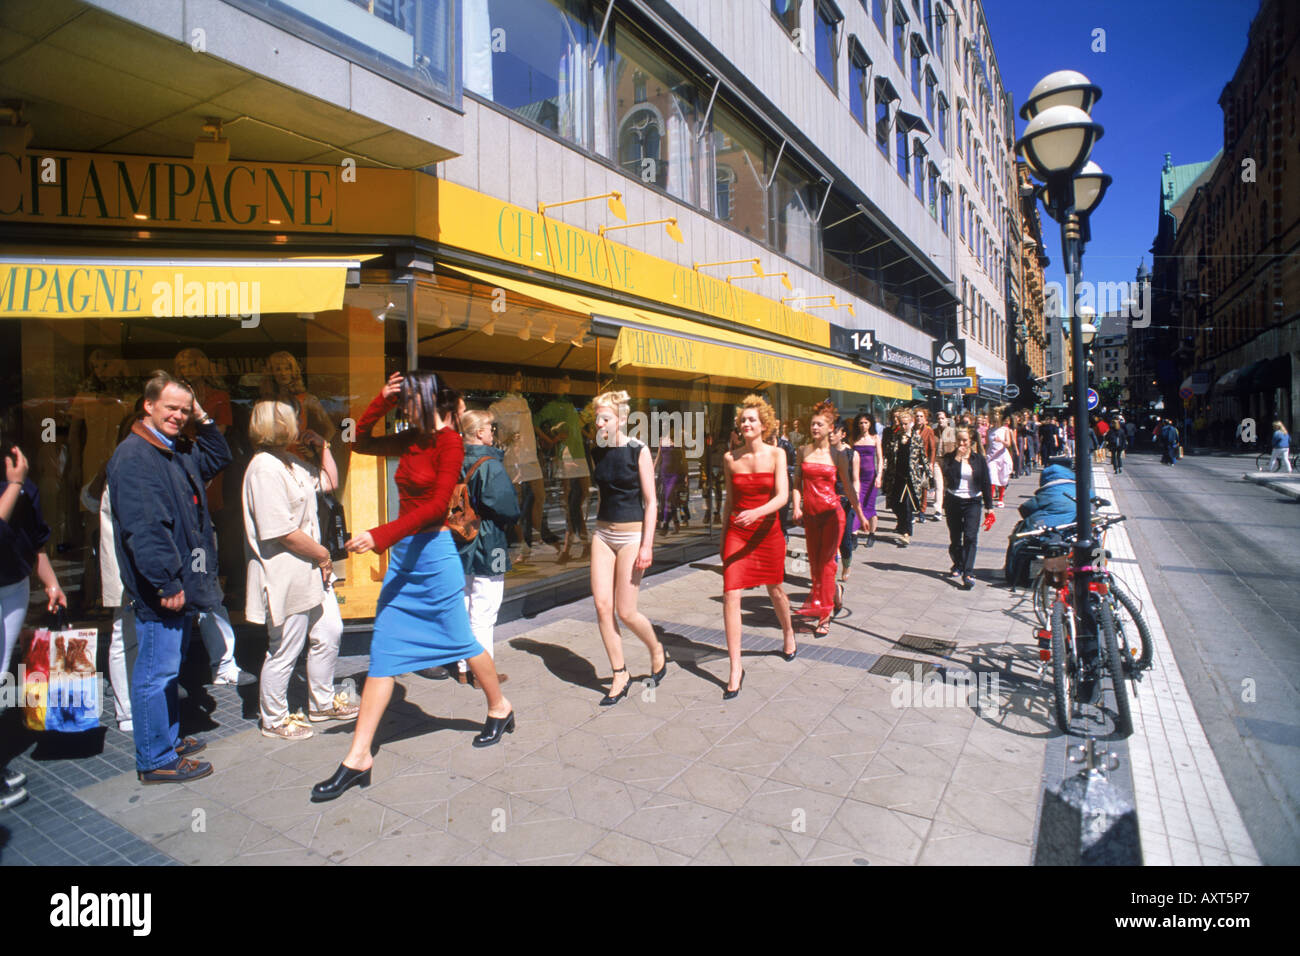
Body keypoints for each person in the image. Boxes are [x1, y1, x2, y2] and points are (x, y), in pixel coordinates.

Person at [313, 373, 512, 802]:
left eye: (406, 402)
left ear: (426, 401)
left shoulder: (450, 443)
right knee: (384, 649)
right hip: (404, 553)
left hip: (435, 553)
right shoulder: (412, 440)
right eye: (399, 404)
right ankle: (358, 756)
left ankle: (499, 707)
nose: (403, 409)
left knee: (461, 640)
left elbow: (438, 507)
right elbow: (359, 442)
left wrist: (379, 534)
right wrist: (379, 401)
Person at [108, 371, 231, 785]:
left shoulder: (173, 450)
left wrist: (203, 416)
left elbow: (219, 456)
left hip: (178, 581)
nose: (178, 416)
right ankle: (155, 757)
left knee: (166, 667)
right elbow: (145, 527)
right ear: (148, 405)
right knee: (155, 671)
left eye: (184, 410)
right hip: (162, 588)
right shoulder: (137, 457)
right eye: (171, 408)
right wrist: (167, 582)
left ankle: (166, 739)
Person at [242, 400, 357, 741]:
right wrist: (323, 555)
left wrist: (323, 447)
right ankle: (274, 719)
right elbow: (280, 531)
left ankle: (321, 702)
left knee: (329, 632)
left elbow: (329, 481)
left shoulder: (287, 461)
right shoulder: (264, 467)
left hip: (310, 568)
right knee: (285, 647)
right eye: (293, 419)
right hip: (285, 571)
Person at [587, 391, 665, 706]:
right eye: (597, 418)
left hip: (632, 535)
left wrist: (647, 544)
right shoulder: (596, 449)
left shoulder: (638, 450)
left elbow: (651, 502)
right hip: (603, 534)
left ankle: (656, 649)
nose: (599, 423)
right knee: (602, 607)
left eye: (605, 418)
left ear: (621, 420)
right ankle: (620, 673)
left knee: (626, 611)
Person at [1, 437, 68, 809]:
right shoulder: (17, 480)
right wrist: (14, 485)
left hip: (11, 585)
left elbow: (33, 540)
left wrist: (50, 581)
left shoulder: (21, 478)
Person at [720, 395, 796, 699]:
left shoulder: (777, 454)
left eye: (752, 419)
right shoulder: (730, 458)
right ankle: (735, 667)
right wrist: (722, 538)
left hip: (767, 532)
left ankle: (788, 632)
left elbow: (783, 497)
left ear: (763, 424)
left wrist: (758, 512)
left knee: (775, 589)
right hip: (737, 533)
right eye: (743, 420)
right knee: (730, 593)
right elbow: (728, 502)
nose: (746, 423)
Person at [793, 400, 868, 636]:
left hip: (833, 515)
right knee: (815, 565)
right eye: (812, 424)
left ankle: (824, 616)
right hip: (811, 516)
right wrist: (797, 507)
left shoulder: (838, 455)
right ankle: (835, 591)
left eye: (819, 425)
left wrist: (861, 515)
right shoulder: (803, 451)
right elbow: (797, 484)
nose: (815, 428)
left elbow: (848, 487)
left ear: (829, 428)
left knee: (826, 564)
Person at [456, 409, 520, 685]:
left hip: (459, 538)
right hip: (488, 541)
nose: (493, 432)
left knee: (465, 602)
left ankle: (462, 667)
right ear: (479, 432)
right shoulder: (489, 464)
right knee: (485, 610)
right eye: (490, 428)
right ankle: (483, 673)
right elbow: (507, 508)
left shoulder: (454, 459)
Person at [940, 427, 994, 590]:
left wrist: (989, 507)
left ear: (971, 441)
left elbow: (985, 481)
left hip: (973, 501)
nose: (962, 443)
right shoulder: (950, 458)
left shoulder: (979, 459)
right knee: (956, 537)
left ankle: (968, 573)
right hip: (953, 499)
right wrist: (957, 457)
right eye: (959, 440)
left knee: (970, 536)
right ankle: (958, 563)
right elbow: (949, 476)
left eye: (965, 440)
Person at [883, 408, 927, 547]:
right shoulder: (895, 438)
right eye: (901, 424)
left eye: (906, 424)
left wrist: (929, 475)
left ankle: (907, 533)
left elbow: (923, 457)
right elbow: (889, 456)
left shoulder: (917, 438)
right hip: (896, 476)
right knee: (896, 505)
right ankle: (902, 525)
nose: (903, 426)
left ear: (912, 423)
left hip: (910, 477)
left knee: (907, 505)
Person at [833, 419, 861, 587]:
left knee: (845, 540)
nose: (831, 435)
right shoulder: (824, 453)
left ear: (843, 435)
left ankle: (846, 565)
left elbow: (855, 479)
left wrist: (854, 497)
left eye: (834, 432)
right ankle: (831, 568)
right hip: (828, 500)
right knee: (831, 538)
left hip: (845, 499)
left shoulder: (852, 454)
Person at [851, 413, 882, 546]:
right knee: (857, 505)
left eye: (866, 423)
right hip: (857, 477)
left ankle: (872, 533)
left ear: (870, 424)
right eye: (861, 423)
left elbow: (880, 459)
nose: (863, 425)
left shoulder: (875, 438)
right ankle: (854, 535)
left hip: (871, 477)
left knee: (869, 506)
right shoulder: (854, 439)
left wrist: (879, 475)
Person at [985, 411, 1014, 507]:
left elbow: (1008, 444)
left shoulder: (1005, 429)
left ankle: (1001, 499)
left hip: (1002, 456)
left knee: (1002, 477)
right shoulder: (989, 430)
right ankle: (989, 500)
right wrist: (986, 455)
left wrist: (1001, 440)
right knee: (991, 477)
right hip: (992, 457)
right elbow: (988, 445)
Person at [913, 409, 938, 522]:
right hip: (913, 462)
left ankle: (922, 512)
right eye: (917, 416)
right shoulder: (911, 430)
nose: (918, 418)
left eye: (921, 416)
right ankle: (914, 510)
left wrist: (931, 463)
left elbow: (932, 448)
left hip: (924, 462)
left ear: (925, 419)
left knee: (923, 487)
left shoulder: (928, 431)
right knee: (913, 487)